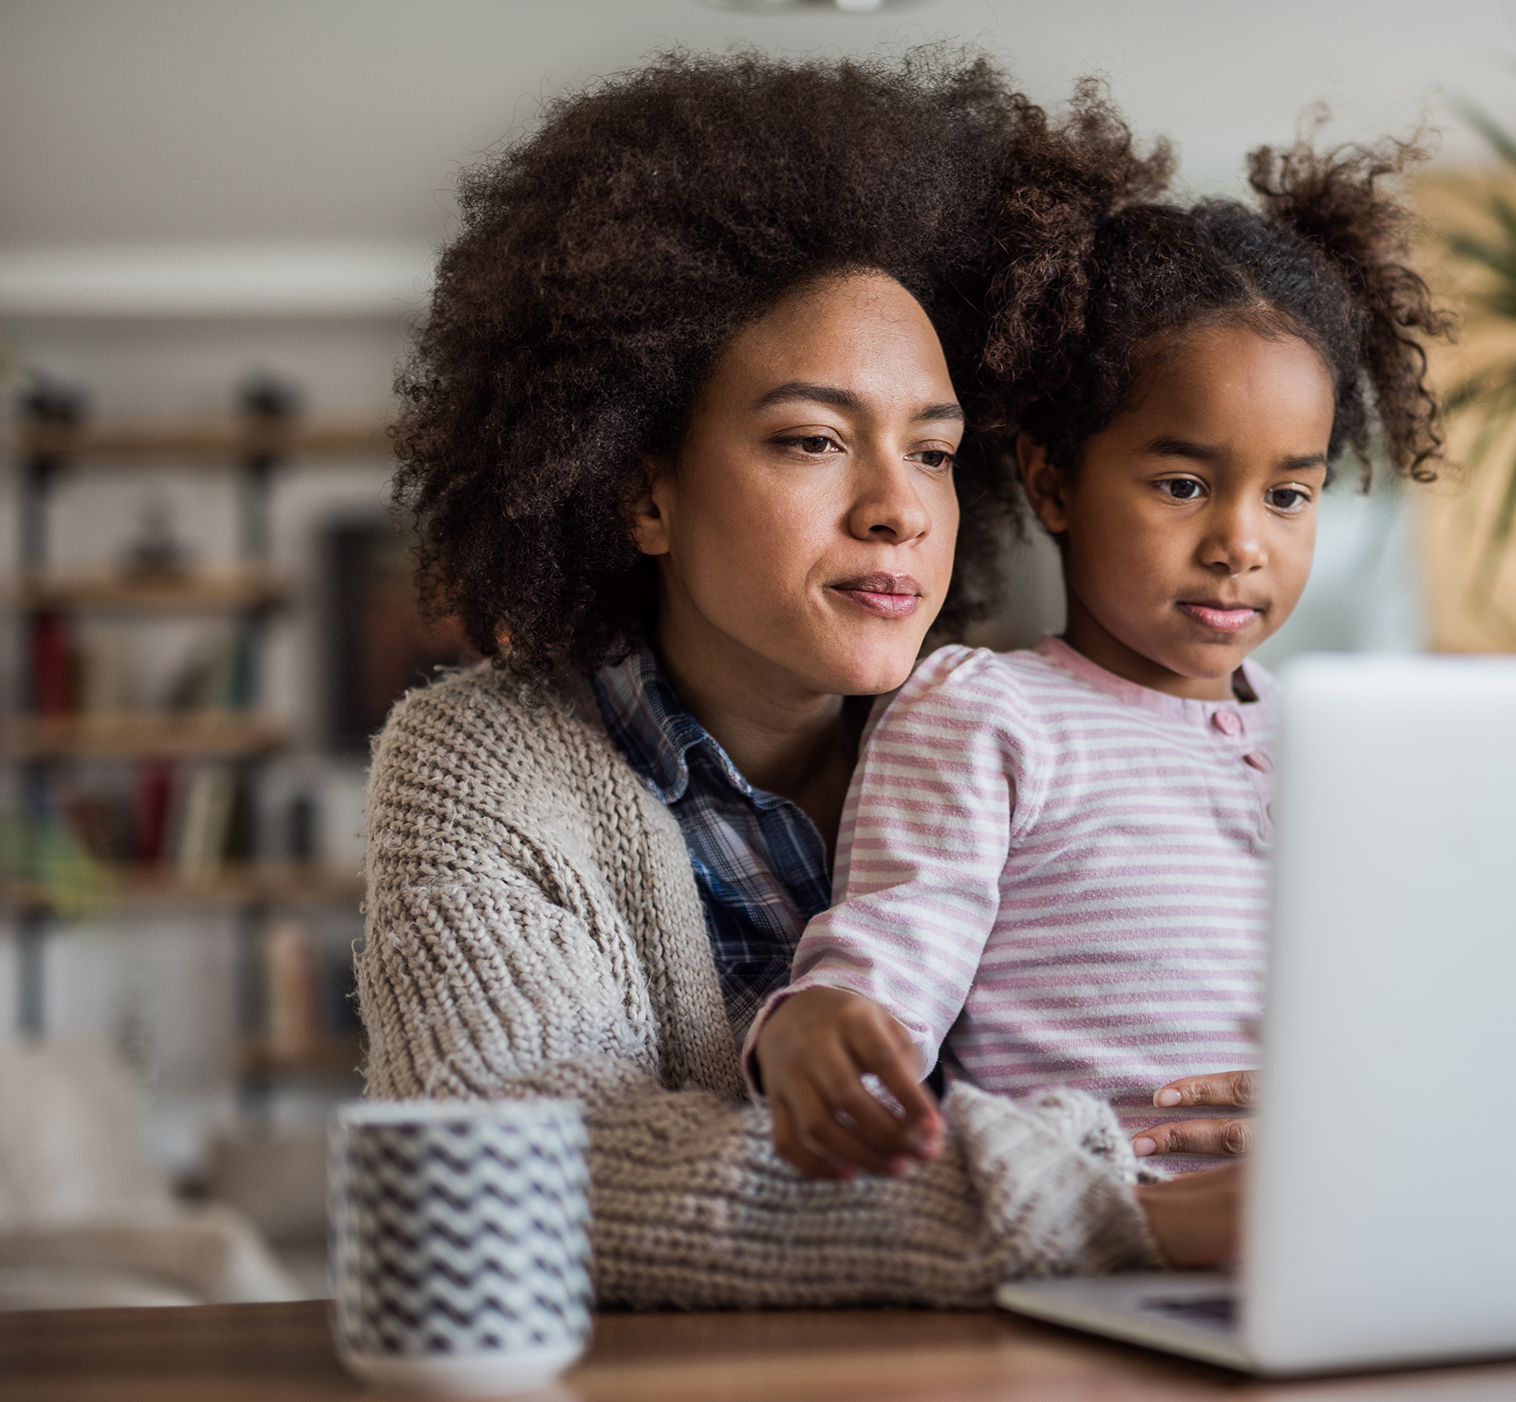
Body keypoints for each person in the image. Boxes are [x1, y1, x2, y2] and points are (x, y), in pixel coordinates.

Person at [357, 49, 1238, 1309]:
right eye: (813, 440)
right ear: (642, 487)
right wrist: (1116, 1203)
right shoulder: (479, 768)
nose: (897, 510)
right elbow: (507, 1182)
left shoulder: (1012, 733)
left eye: (933, 452)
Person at [750, 125, 1447, 1177]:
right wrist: (814, 1026)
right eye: (1182, 485)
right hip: (1105, 1239)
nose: (1239, 545)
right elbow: (887, 961)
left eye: (1288, 495)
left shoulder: (1335, 741)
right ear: (1054, 482)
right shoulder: (982, 714)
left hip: (1338, 1222)